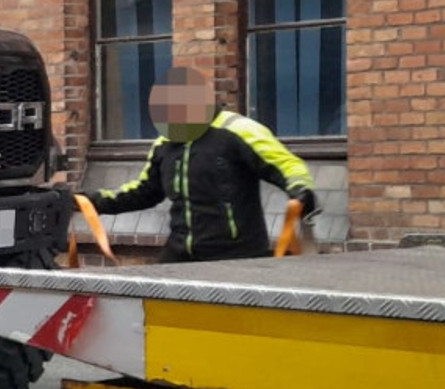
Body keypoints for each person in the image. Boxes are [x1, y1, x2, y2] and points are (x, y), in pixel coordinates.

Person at [89, 65, 316, 263]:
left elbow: (287, 165)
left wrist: (301, 190)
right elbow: (145, 191)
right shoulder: (164, 144)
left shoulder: (239, 130)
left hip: (237, 257)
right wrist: (90, 202)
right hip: (180, 255)